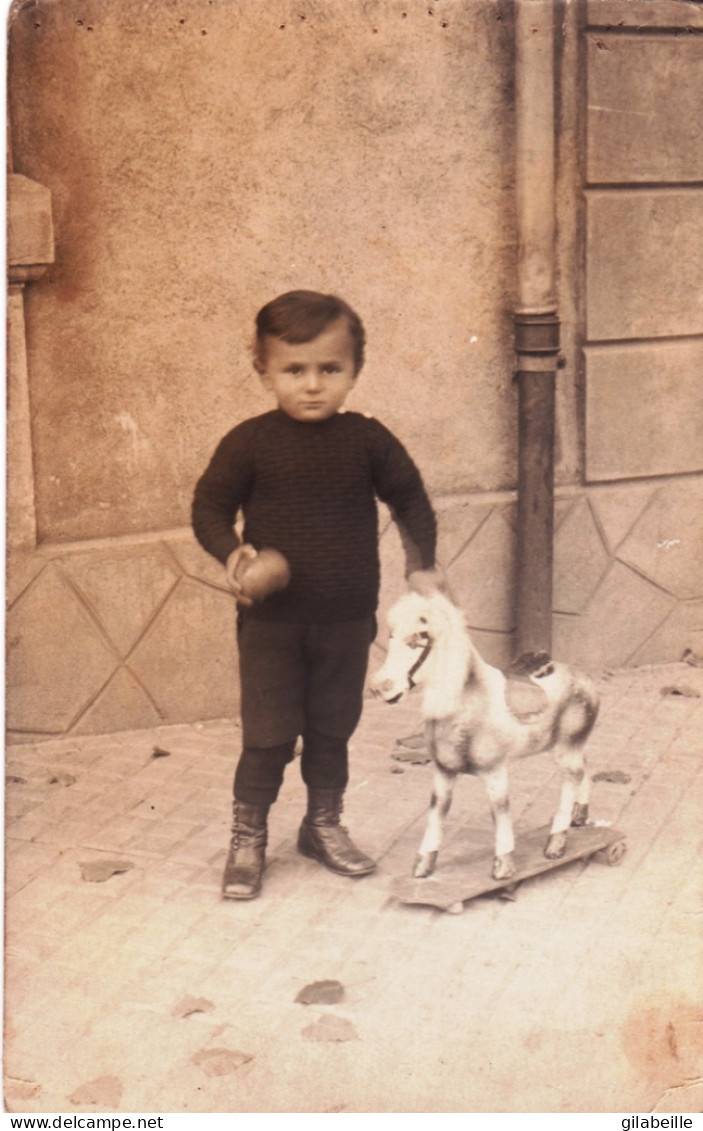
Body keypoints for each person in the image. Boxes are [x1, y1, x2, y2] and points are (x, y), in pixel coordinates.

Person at [192, 290, 440, 899]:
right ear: (263, 369)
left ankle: (322, 826)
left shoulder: (367, 440)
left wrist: (421, 567)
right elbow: (209, 506)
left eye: (330, 370)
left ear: (355, 369)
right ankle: (246, 840)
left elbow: (410, 499)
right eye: (293, 370)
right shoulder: (250, 441)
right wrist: (232, 550)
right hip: (272, 626)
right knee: (269, 737)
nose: (312, 385)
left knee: (333, 729)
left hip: (346, 622)